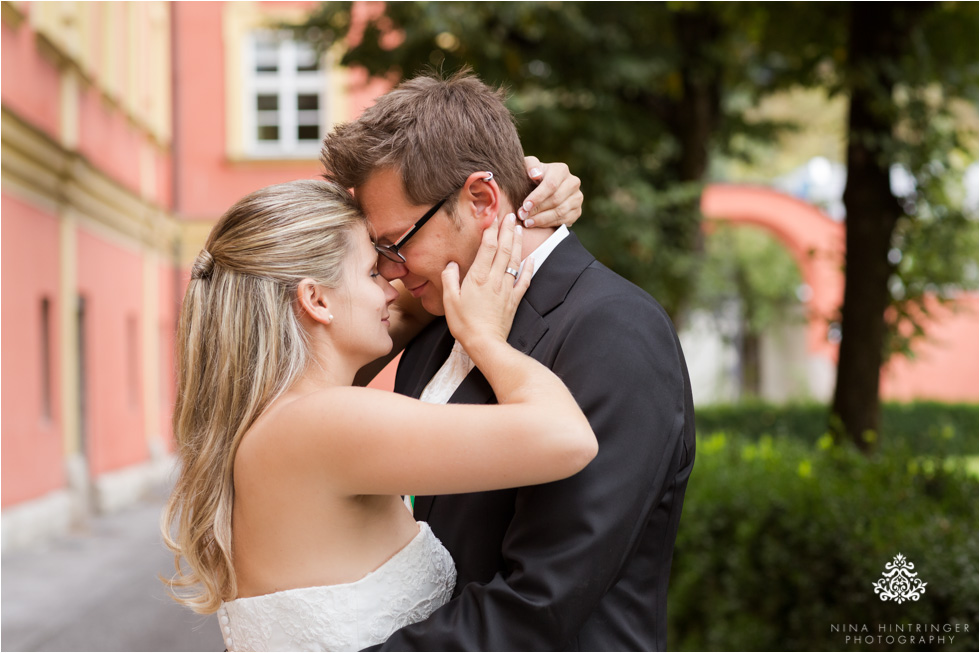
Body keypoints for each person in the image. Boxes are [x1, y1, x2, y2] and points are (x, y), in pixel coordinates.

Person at [319, 69, 697, 651]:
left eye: (397, 243)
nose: (390, 269)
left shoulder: (614, 331)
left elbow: (538, 605)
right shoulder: (439, 318)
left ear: (481, 200)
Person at [161, 173, 594, 651]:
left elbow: (417, 305)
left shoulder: (276, 422)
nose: (392, 285)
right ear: (316, 300)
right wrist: (485, 338)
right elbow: (566, 437)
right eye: (372, 271)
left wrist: (516, 195)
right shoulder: (326, 423)